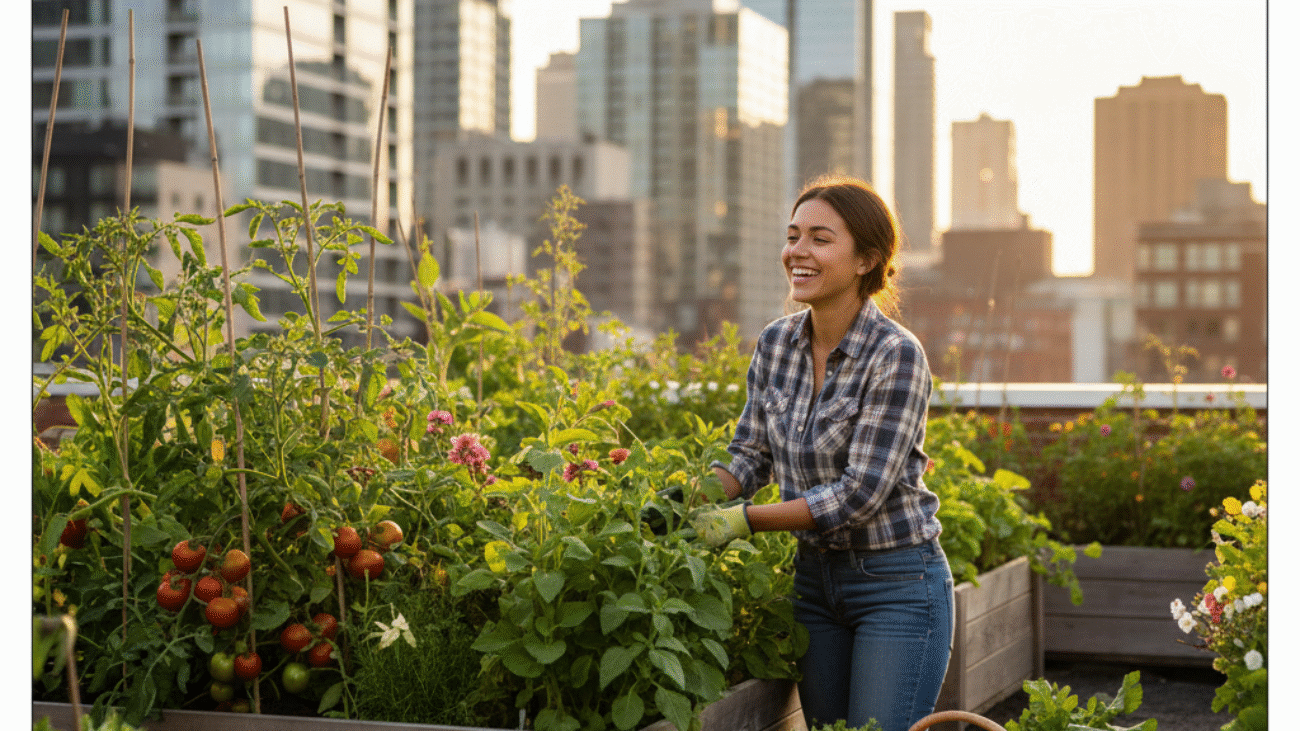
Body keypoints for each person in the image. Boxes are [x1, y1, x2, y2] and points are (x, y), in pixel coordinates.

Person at [691, 175, 953, 731]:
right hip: (815, 585)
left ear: (867, 260)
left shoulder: (895, 356)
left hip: (897, 586)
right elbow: (750, 454)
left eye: (820, 238)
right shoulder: (775, 344)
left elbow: (859, 493)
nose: (797, 252)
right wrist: (688, 499)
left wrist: (743, 522)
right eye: (793, 236)